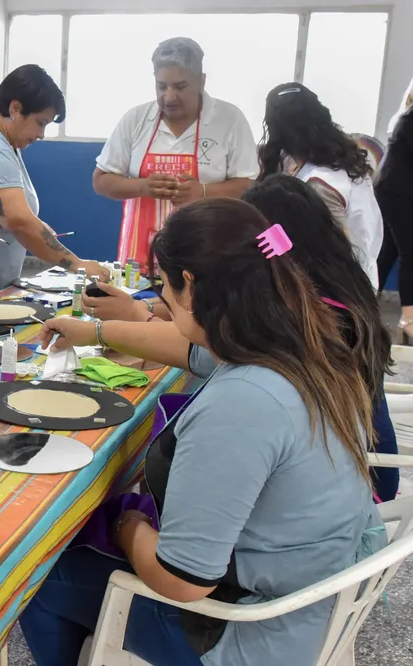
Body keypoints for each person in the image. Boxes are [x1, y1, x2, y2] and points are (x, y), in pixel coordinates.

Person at [23, 198, 384, 666]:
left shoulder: (242, 404)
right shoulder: (302, 342)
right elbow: (189, 347)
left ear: (189, 285)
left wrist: (126, 526)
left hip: (250, 633)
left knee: (42, 575)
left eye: (164, 287)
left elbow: (183, 581)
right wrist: (95, 331)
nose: (162, 300)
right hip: (311, 588)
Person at [73, 175, 399, 501]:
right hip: (328, 492)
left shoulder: (297, 338)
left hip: (356, 486)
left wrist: (123, 523)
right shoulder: (322, 294)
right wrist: (109, 325)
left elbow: (186, 552)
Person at [0, 64, 107, 303]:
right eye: (41, 122)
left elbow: (18, 214)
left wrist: (36, 226)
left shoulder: (4, 140)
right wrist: (77, 265)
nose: (42, 134)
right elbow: (18, 220)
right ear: (16, 108)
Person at [92, 37, 257, 268]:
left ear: (201, 81)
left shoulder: (229, 120)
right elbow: (101, 180)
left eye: (180, 87)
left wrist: (203, 191)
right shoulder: (136, 119)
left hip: (208, 257)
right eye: (161, 86)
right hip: (140, 258)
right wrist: (143, 186)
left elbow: (248, 186)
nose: (169, 97)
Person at [259, 82, 383, 289]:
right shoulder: (345, 163)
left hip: (332, 293)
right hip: (357, 285)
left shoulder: (320, 185)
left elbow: (331, 251)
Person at [376, 101, 413, 342]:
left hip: (395, 189)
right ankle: (409, 320)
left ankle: (360, 303)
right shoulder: (409, 119)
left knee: (387, 252)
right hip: (397, 192)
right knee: (411, 252)